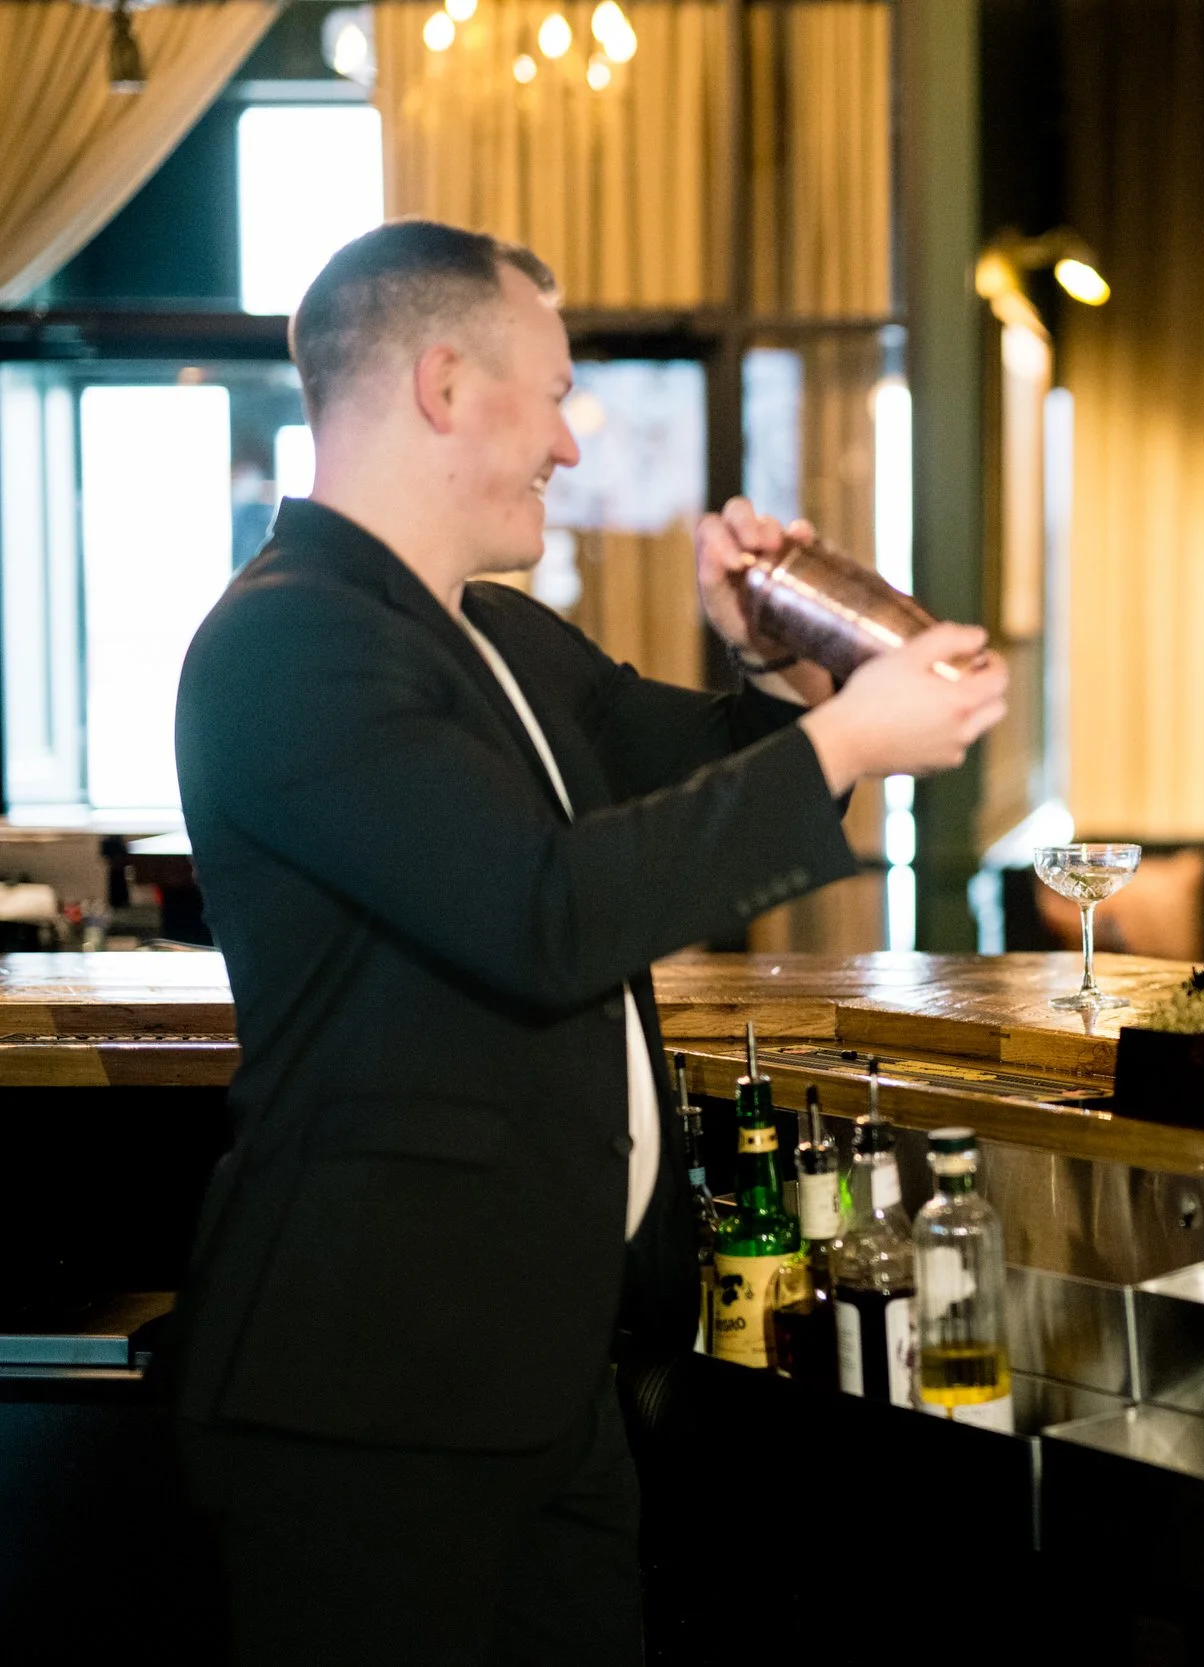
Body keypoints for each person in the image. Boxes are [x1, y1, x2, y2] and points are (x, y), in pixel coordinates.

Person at [168, 220, 1009, 1665]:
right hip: (373, 1385)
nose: (571, 440)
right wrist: (838, 740)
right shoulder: (283, 641)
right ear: (444, 383)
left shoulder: (496, 634)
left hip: (547, 1377)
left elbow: (707, 772)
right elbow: (543, 911)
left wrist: (789, 652)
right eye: (554, 392)